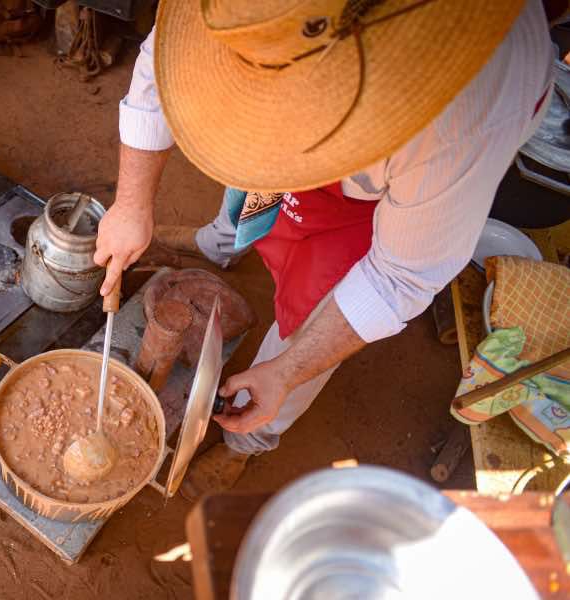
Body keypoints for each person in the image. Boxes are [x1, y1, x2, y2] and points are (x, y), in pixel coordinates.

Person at [93, 0, 554, 499]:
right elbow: (162, 67)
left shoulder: (461, 117)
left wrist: (287, 372)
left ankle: (248, 443)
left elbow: (395, 278)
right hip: (334, 136)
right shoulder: (237, 16)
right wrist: (132, 204)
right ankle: (218, 244)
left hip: (378, 193)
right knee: (254, 189)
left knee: (308, 323)